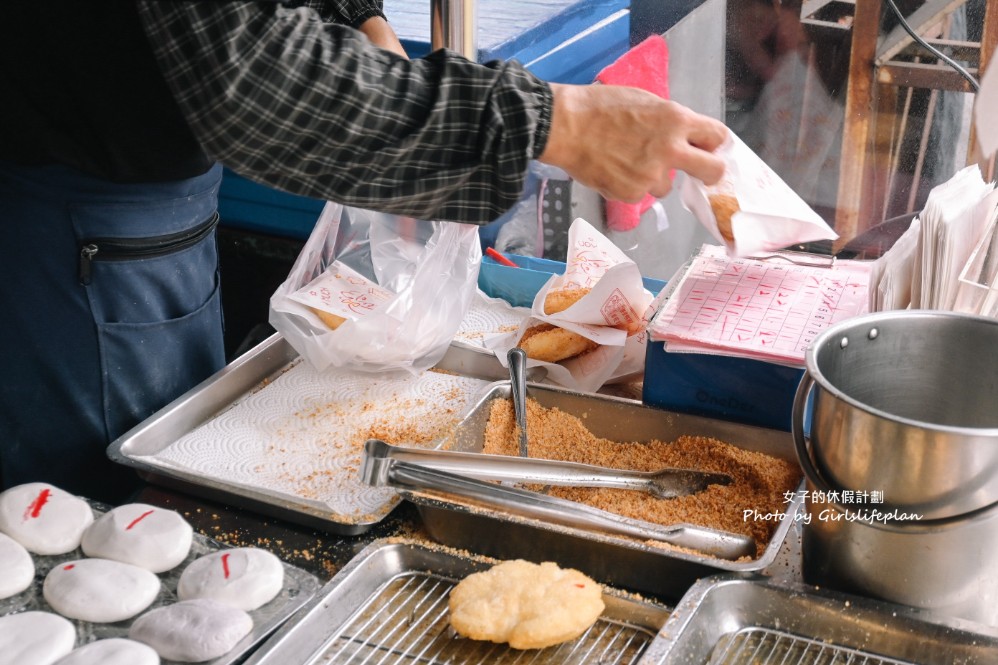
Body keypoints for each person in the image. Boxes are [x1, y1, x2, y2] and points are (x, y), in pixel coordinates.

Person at [0, 1, 727, 503]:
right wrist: (552, 125)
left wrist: (362, 22)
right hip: (58, 221)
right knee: (97, 522)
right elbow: (243, 75)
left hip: (160, 210)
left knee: (169, 477)